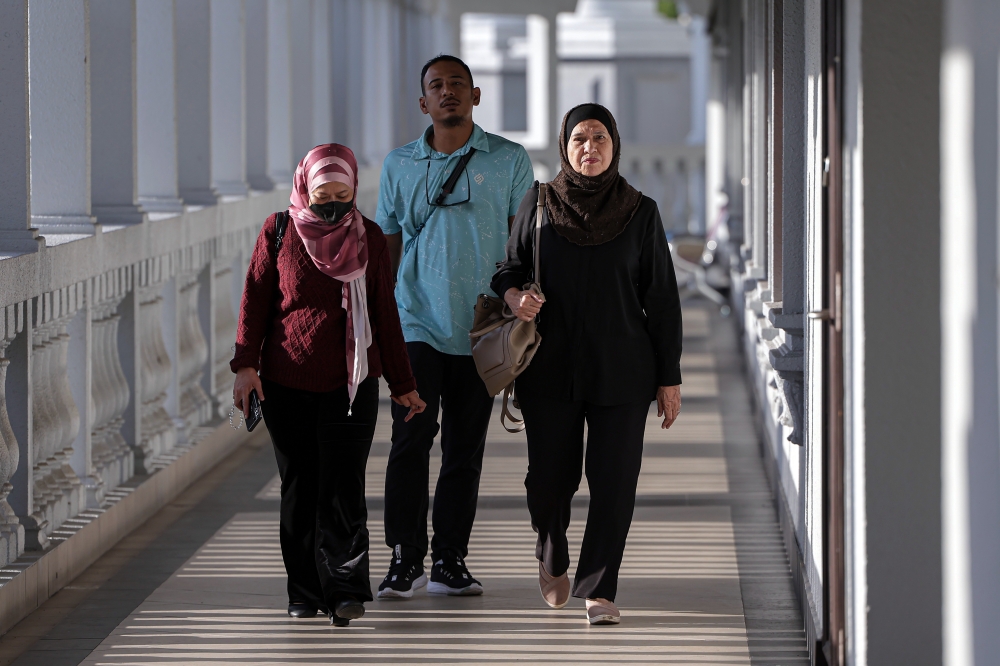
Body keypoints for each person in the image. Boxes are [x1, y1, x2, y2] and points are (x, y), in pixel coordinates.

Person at [491, 103, 683, 625]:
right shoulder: (539, 202)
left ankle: (600, 587)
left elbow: (662, 299)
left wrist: (669, 377)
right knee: (551, 479)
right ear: (564, 145)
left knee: (614, 479)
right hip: (548, 367)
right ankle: (550, 548)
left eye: (599, 137)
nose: (590, 148)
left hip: (623, 369)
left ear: (615, 145)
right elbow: (507, 267)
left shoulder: (641, 212)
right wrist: (514, 298)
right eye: (579, 138)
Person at [231, 144, 426, 626]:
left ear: (355, 190)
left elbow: (384, 312)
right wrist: (244, 366)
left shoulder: (370, 239)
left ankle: (345, 589)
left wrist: (403, 382)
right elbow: (255, 301)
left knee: (343, 489)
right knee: (300, 488)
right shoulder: (277, 231)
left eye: (343, 194)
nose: (333, 204)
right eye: (323, 194)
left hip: (352, 385)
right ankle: (303, 591)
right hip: (285, 383)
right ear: (305, 188)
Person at [374, 55, 533, 599]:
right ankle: (403, 557)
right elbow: (389, 245)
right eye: (436, 86)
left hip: (483, 325)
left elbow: (523, 244)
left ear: (476, 95)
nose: (448, 93)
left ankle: (450, 559)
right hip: (415, 321)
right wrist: (381, 324)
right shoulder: (398, 164)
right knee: (410, 439)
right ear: (423, 102)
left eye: (457, 85)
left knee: (465, 447)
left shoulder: (510, 160)